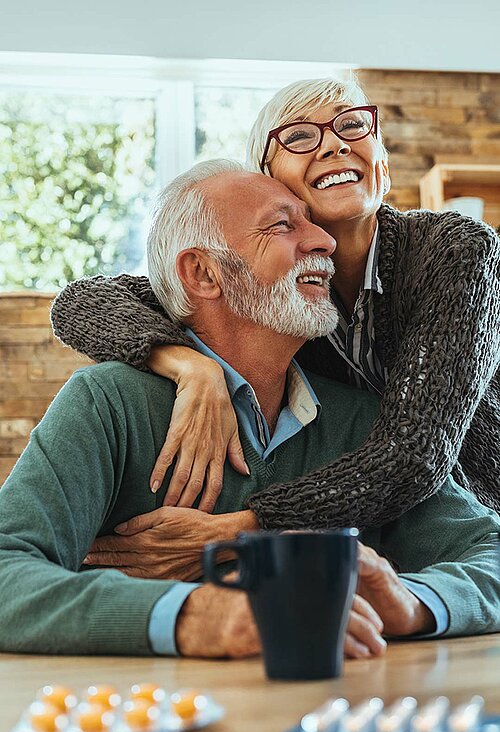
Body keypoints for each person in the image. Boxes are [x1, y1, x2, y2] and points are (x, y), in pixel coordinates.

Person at [1, 160, 499, 661]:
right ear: (203, 273)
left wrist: (413, 603)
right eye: (282, 225)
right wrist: (194, 616)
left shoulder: (361, 421)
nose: (324, 241)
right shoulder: (108, 403)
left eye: (311, 223)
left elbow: (490, 553)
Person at [51, 77, 500, 545]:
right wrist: (191, 367)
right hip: (354, 533)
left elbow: (415, 453)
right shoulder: (274, 290)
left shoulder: (457, 250)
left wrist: (242, 531)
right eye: (300, 136)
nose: (335, 144)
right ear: (269, 181)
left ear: (382, 168)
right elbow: (83, 302)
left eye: (352, 125)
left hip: (475, 521)